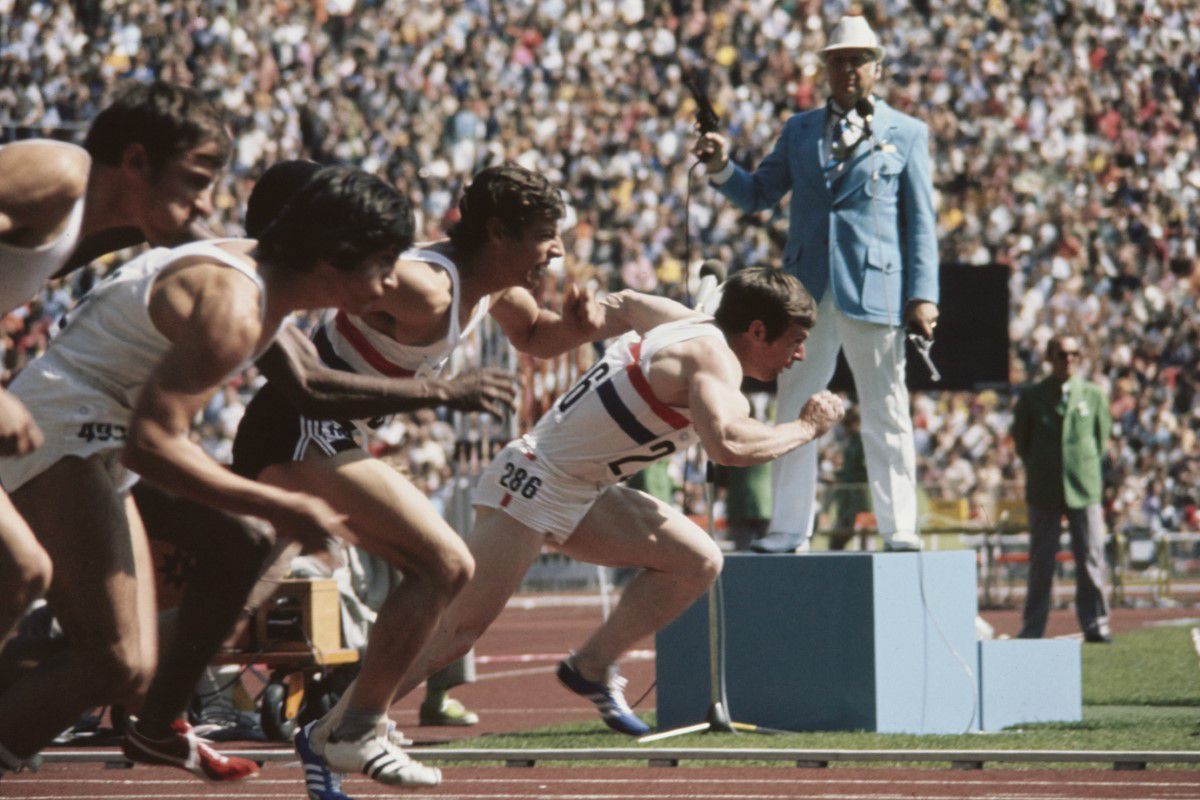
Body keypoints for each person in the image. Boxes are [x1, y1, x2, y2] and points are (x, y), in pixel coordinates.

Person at [303, 266, 843, 776]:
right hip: (535, 480)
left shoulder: (681, 318)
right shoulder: (712, 360)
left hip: (583, 489)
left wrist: (587, 320)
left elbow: (624, 302)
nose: (798, 355)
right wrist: (806, 428)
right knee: (455, 632)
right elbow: (728, 445)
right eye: (795, 341)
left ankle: (591, 667)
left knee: (697, 560)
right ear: (756, 330)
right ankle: (340, 725)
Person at [0, 166, 415, 776]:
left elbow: (301, 386)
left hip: (99, 435)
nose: (391, 283)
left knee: (242, 540)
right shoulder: (235, 304)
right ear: (335, 255)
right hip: (62, 431)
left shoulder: (263, 288)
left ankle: (157, 725)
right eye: (383, 262)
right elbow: (151, 447)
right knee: (116, 665)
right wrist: (281, 502)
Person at [231, 162, 605, 795]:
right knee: (444, 565)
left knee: (228, 609)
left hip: (328, 435)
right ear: (497, 233)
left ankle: (118, 673)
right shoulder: (425, 287)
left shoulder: (490, 290)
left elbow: (536, 335)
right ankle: (349, 728)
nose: (558, 252)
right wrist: (259, 233)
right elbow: (316, 267)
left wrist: (579, 330)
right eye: (547, 236)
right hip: (298, 426)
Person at [0, 80, 230, 660]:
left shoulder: (93, 227)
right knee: (20, 570)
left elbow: (217, 250)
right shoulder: (57, 174)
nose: (206, 204)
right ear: (135, 161)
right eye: (196, 181)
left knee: (27, 581)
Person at [693, 15, 938, 553]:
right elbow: (758, 193)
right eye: (838, 60)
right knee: (795, 405)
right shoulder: (800, 130)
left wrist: (923, 295)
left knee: (886, 408)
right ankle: (787, 529)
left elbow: (921, 223)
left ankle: (899, 527)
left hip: (875, 287)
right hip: (804, 291)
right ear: (826, 68)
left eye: (858, 60)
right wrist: (721, 167)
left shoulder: (906, 133)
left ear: (876, 68)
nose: (848, 69)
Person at [1012, 335, 1112, 643]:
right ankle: (1033, 628)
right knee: (1041, 563)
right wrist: (1044, 465)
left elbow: (1101, 440)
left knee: (1091, 559)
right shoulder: (1032, 396)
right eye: (1061, 354)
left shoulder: (1093, 395)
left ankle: (1097, 625)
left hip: (1084, 487)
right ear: (1049, 357)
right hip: (1044, 489)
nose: (1068, 359)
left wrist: (1079, 467)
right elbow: (1022, 442)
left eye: (1074, 354)